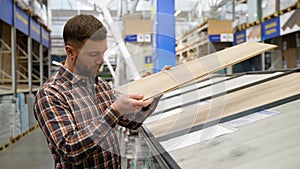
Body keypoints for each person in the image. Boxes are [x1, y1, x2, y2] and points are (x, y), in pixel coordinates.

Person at [34, 14, 171, 169]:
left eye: (103, 53)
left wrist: (156, 90)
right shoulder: (51, 94)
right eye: (93, 54)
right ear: (71, 52)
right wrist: (114, 110)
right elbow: (70, 149)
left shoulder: (102, 86)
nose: (102, 61)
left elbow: (131, 122)